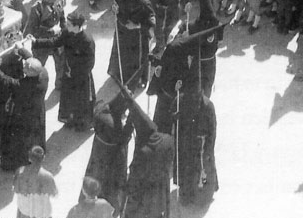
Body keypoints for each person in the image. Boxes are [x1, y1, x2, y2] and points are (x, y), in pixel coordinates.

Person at [30, 10, 97, 130]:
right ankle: (69, 120)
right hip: (68, 73)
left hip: (82, 78)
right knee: (68, 99)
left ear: (77, 26)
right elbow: (55, 42)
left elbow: (89, 64)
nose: (67, 26)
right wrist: (36, 42)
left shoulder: (87, 41)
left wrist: (75, 73)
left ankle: (82, 124)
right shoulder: (67, 32)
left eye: (70, 24)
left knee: (82, 101)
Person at [0, 52, 48, 171]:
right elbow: (33, 61)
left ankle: (13, 163)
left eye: (25, 67)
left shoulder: (23, 85)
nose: (23, 67)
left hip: (22, 116)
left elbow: (5, 80)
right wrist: (21, 49)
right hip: (37, 111)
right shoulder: (43, 73)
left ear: (28, 73)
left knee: (17, 140)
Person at [119, 85, 174, 218]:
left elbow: (135, 177)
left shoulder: (143, 152)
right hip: (161, 187)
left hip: (145, 192)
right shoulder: (168, 139)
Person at [81, 97, 130, 212]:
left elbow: (101, 104)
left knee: (95, 175)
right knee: (109, 183)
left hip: (98, 150)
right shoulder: (116, 127)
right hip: (111, 157)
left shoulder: (100, 112)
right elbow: (124, 138)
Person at [110, 0, 156, 89]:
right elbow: (116, 3)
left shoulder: (144, 2)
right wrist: (114, 9)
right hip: (122, 31)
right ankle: (120, 75)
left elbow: (152, 22)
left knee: (138, 60)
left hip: (137, 37)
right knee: (122, 55)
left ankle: (140, 79)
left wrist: (137, 26)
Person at [176, 90, 219, 206]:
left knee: (205, 168)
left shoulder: (208, 106)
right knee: (189, 168)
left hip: (203, 143)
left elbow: (212, 129)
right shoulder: (184, 102)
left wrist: (209, 148)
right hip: (190, 143)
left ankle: (205, 193)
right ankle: (188, 193)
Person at [24, 0, 66, 89]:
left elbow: (62, 18)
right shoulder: (37, 9)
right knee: (38, 68)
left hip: (57, 41)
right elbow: (30, 33)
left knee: (61, 64)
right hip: (41, 45)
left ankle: (60, 85)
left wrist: (66, 33)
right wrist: (51, 31)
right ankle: (36, 88)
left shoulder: (59, 0)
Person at [13, 146, 57, 218]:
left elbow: (15, 189)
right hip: (41, 213)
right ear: (43, 158)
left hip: (25, 211)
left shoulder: (19, 171)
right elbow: (54, 193)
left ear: (29, 157)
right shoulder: (48, 176)